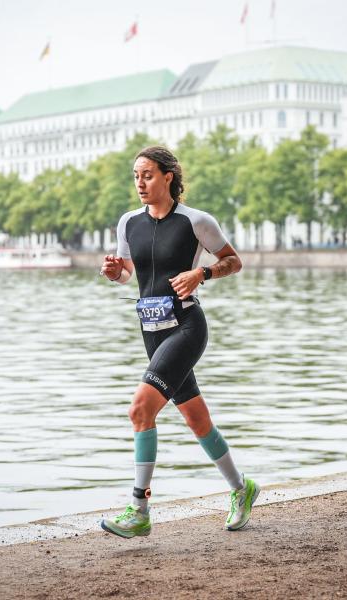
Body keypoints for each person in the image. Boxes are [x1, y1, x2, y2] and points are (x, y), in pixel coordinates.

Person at [98, 145, 259, 539]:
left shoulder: (195, 221)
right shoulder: (128, 223)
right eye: (136, 176)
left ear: (167, 177)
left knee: (140, 408)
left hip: (186, 327)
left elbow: (233, 261)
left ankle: (139, 509)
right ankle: (242, 488)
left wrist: (201, 274)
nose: (140, 182)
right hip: (151, 331)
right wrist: (115, 272)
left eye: (147, 175)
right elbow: (130, 274)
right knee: (196, 419)